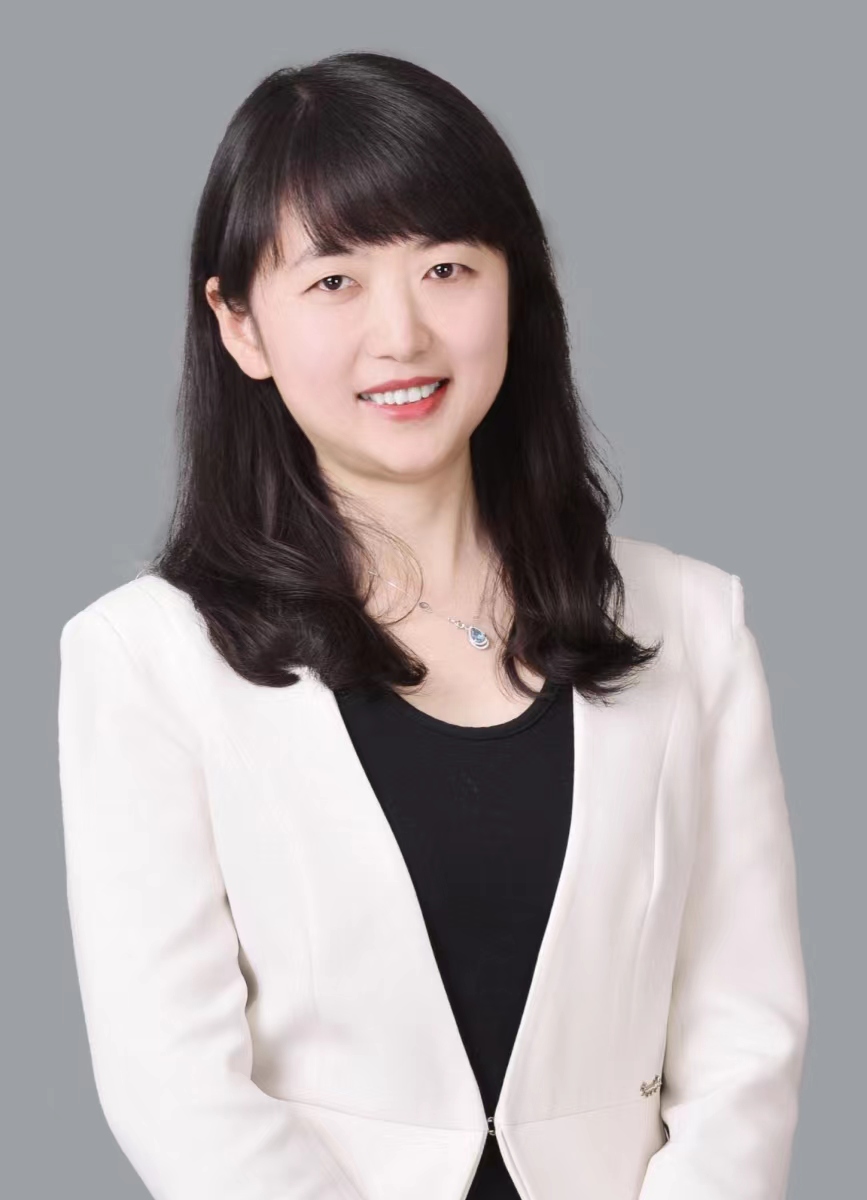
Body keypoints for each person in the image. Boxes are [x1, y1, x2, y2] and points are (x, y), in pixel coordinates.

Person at [57, 51, 809, 1200]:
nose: (402, 335)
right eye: (334, 281)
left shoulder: (696, 627)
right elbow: (175, 1088)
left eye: (447, 267)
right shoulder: (145, 662)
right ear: (240, 325)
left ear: (517, 286)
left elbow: (745, 1039)